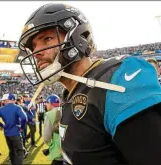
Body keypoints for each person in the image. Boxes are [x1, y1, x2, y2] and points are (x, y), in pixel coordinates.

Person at [18, 3, 161, 165]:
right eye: (34, 46)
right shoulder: (71, 94)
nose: (37, 53)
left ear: (78, 37)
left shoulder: (116, 80)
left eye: (47, 39)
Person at [0, 93, 27, 165]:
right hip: (15, 133)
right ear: (13, 100)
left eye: (4, 100)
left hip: (7, 133)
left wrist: (2, 125)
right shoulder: (17, 107)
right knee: (19, 151)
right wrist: (21, 128)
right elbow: (24, 118)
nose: (3, 102)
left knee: (11, 150)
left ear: (8, 100)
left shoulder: (1, 109)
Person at [43, 94, 63, 165]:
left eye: (47, 103)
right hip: (69, 149)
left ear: (50, 103)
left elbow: (46, 137)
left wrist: (51, 146)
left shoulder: (49, 114)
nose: (46, 105)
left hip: (57, 151)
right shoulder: (65, 111)